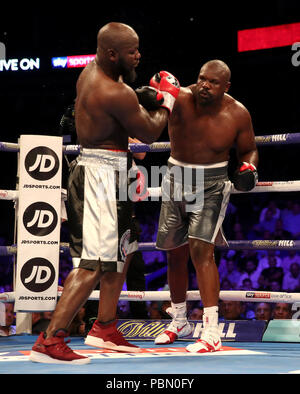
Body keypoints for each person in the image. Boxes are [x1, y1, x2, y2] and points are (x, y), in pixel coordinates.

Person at [30, 22, 180, 364]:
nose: (139, 55)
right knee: (93, 263)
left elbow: (125, 106)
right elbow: (149, 132)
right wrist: (167, 100)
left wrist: (144, 95)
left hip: (112, 171)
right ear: (113, 53)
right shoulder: (113, 91)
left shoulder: (93, 71)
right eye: (132, 51)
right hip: (100, 176)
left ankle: (105, 327)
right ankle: (50, 340)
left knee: (123, 250)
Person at [153, 60, 258, 353]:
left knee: (201, 250)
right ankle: (179, 320)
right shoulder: (180, 99)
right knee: (174, 253)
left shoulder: (237, 113)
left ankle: (211, 330)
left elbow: (249, 148)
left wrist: (249, 166)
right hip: (175, 176)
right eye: (201, 79)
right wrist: (152, 94)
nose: (204, 85)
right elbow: (148, 117)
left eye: (212, 82)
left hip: (212, 182)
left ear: (226, 87)